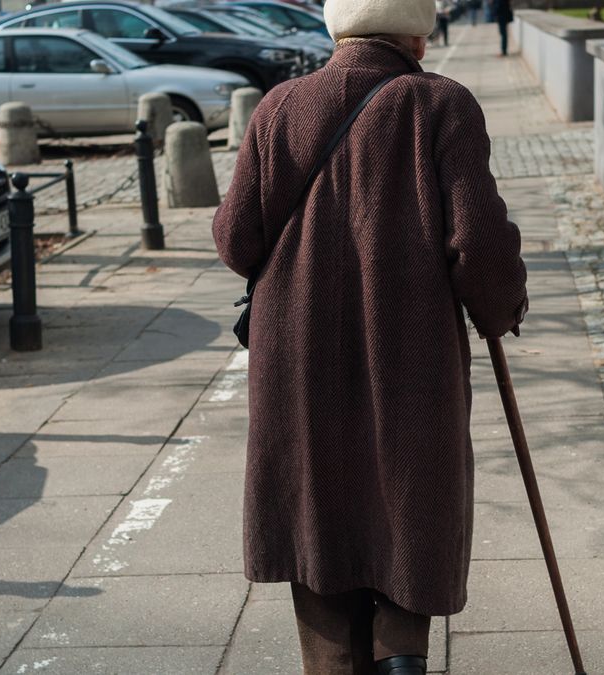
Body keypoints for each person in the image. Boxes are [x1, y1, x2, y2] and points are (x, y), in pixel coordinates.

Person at [211, 0, 529, 670]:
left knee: (318, 540)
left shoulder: (279, 108)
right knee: (406, 531)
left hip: (296, 369)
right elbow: (480, 244)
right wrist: (500, 308)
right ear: (418, 30)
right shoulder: (442, 105)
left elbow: (237, 240)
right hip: (408, 368)